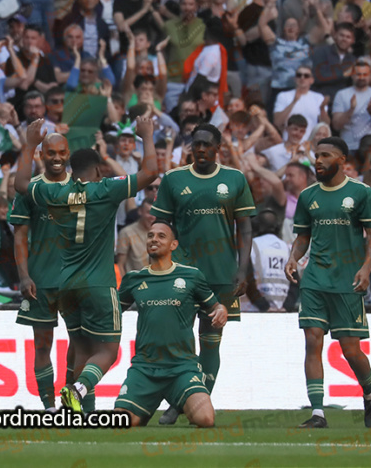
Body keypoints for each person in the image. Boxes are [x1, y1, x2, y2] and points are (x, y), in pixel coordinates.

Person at [14, 115, 158, 413]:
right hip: (99, 284)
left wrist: (29, 145)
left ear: (70, 164)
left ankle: (82, 412)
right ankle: (78, 389)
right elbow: (150, 172)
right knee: (108, 351)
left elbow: (20, 183)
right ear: (98, 169)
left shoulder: (55, 192)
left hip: (67, 284)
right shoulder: (107, 189)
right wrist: (146, 135)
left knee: (80, 348)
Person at [149, 123, 255, 425]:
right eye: (196, 144)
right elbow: (160, 227)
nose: (201, 149)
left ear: (218, 148)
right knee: (177, 343)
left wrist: (243, 269)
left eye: (207, 144)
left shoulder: (234, 179)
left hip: (221, 274)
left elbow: (245, 228)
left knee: (210, 342)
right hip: (180, 275)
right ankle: (178, 398)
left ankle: (188, 403)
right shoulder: (173, 179)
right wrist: (157, 267)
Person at [285, 137, 371, 429]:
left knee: (350, 350)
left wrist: (366, 268)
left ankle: (370, 394)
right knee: (312, 340)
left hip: (347, 280)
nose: (318, 160)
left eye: (326, 155)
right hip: (315, 279)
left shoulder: (360, 192)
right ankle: (318, 412)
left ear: (342, 160)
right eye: (317, 155)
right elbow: (303, 236)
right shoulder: (308, 196)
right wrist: (293, 258)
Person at [113, 220, 226, 428]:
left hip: (181, 368)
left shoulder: (192, 276)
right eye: (150, 235)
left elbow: (215, 306)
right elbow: (111, 313)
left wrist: (221, 310)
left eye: (161, 236)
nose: (154, 239)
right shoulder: (134, 279)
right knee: (121, 423)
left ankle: (179, 400)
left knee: (206, 419)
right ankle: (145, 408)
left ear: (174, 245)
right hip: (144, 369)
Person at [10, 131, 72, 410]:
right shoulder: (29, 190)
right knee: (43, 346)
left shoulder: (82, 188)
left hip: (75, 281)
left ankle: (75, 400)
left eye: (61, 152)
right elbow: (20, 236)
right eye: (51, 153)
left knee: (80, 343)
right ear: (42, 155)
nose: (56, 158)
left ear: (68, 153)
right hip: (41, 281)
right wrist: (24, 276)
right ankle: (49, 405)